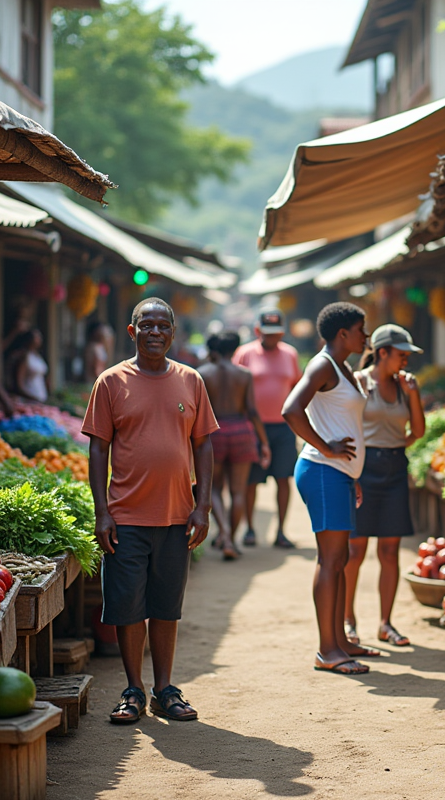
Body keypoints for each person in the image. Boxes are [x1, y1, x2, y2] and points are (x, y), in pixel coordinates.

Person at [82, 298, 218, 724]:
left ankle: (164, 688)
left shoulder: (191, 381)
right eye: (147, 325)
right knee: (127, 608)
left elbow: (204, 444)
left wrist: (203, 506)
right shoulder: (110, 382)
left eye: (163, 326)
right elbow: (98, 447)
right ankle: (133, 690)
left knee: (165, 607)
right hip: (125, 518)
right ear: (132, 331)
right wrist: (102, 511)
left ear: (173, 333)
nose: (155, 332)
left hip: (177, 517)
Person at [283, 302, 382, 675]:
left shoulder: (342, 367)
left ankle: (339, 640)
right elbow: (291, 409)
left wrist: (351, 472)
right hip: (323, 471)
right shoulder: (323, 364)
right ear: (342, 333)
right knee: (330, 560)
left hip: (337, 475)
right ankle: (327, 650)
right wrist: (327, 449)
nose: (366, 336)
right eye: (361, 329)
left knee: (339, 561)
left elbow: (341, 420)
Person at [343, 324, 426, 648]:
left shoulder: (406, 386)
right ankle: (349, 621)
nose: (405, 361)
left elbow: (417, 431)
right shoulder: (359, 382)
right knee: (355, 550)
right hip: (362, 470)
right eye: (401, 355)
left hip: (394, 469)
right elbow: (346, 422)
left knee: (390, 550)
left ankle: (385, 624)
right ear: (382, 353)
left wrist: (415, 395)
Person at [233, 309, 303, 549]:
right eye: (267, 333)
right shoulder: (245, 354)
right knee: (250, 480)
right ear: (257, 331)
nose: (272, 338)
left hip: (283, 428)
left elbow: (296, 386)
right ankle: (250, 529)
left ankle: (281, 531)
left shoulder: (290, 355)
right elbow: (235, 385)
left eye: (276, 334)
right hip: (252, 427)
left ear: (282, 332)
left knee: (283, 479)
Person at [198, 332, 271, 561]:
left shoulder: (203, 374)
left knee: (215, 489)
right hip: (242, 432)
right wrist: (264, 441)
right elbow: (251, 409)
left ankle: (225, 536)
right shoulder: (244, 374)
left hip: (214, 433)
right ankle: (232, 539)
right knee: (238, 491)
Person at [6, 329, 49, 403]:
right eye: (37, 337)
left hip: (40, 397)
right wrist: (31, 397)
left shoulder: (38, 356)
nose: (40, 339)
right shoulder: (24, 357)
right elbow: (19, 382)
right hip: (29, 399)